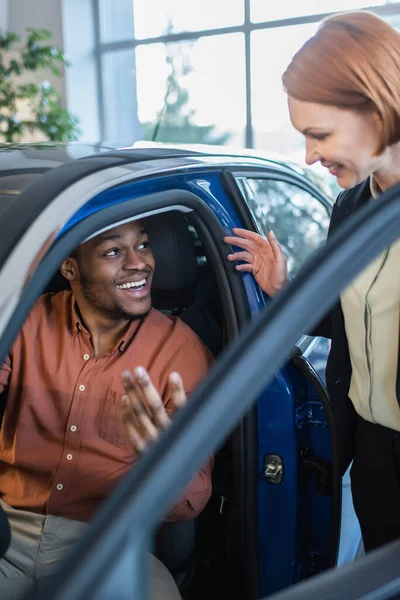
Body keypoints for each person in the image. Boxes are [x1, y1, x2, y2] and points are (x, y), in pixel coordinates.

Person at [225, 11, 400, 554]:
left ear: (378, 110)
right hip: (374, 452)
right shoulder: (350, 207)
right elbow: (353, 321)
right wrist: (285, 287)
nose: (308, 156)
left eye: (318, 135)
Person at [0, 218, 213, 599]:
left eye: (143, 246)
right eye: (114, 252)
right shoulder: (26, 320)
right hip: (8, 528)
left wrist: (163, 463)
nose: (139, 263)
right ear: (70, 268)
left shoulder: (182, 352)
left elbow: (194, 498)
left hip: (109, 543)